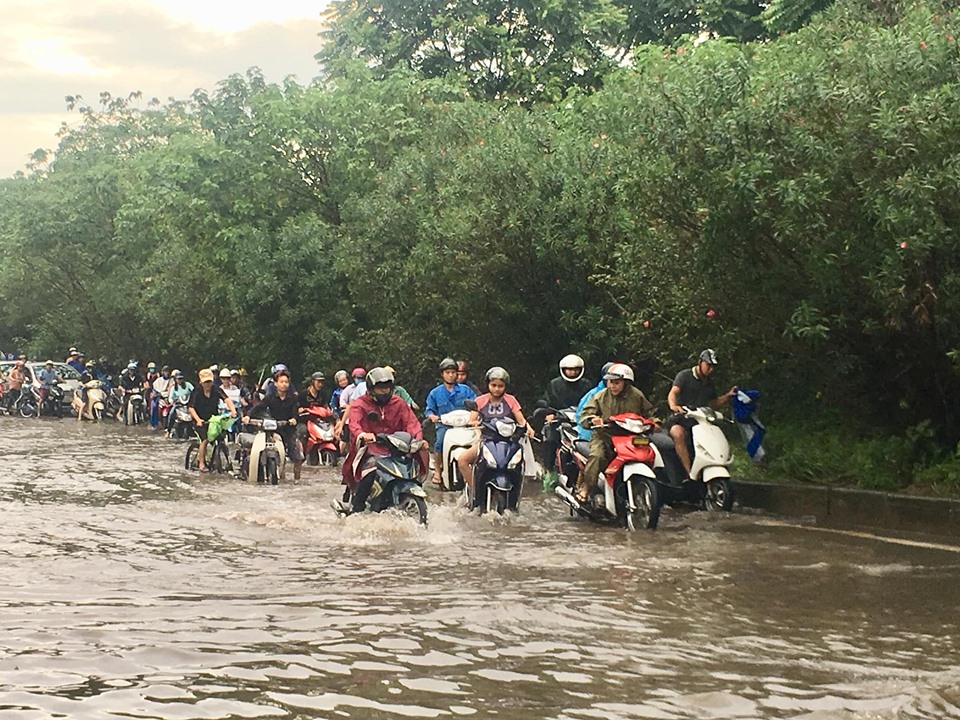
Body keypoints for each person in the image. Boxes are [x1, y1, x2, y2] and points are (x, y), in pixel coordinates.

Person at [332, 367, 426, 516]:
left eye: (387, 388)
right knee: (370, 473)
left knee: (414, 465)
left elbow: (412, 423)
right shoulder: (360, 404)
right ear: (370, 388)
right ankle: (356, 509)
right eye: (380, 388)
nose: (384, 391)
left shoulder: (399, 403)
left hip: (397, 447)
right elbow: (355, 424)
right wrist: (362, 434)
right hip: (369, 450)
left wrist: (419, 439)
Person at [578, 363, 655, 502]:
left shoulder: (637, 395)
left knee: (651, 453)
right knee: (597, 456)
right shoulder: (600, 396)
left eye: (616, 382)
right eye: (610, 382)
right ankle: (587, 487)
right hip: (604, 435)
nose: (612, 386)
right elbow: (585, 415)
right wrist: (592, 420)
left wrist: (655, 423)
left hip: (630, 436)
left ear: (626, 383)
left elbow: (649, 413)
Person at [456, 367, 534, 501]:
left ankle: (515, 496)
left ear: (505, 386)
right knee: (462, 460)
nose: (497, 389)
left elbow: (521, 420)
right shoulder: (480, 400)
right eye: (493, 385)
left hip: (508, 443)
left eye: (500, 386)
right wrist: (475, 424)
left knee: (518, 465)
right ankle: (475, 490)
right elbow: (472, 420)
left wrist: (529, 429)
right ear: (488, 385)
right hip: (485, 440)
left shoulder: (511, 400)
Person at [665, 349, 736, 479]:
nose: (711, 369)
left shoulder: (709, 383)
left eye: (713, 366)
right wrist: (674, 406)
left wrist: (728, 396)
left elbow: (713, 403)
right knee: (677, 433)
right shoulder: (684, 376)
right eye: (708, 365)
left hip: (701, 421)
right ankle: (689, 474)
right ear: (700, 362)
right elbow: (673, 392)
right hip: (681, 419)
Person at [538, 354, 594, 490]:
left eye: (576, 369)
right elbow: (546, 401)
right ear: (563, 369)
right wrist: (549, 413)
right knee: (550, 439)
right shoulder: (554, 384)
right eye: (569, 369)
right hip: (559, 420)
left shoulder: (587, 384)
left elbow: (592, 402)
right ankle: (550, 470)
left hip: (581, 421)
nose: (573, 372)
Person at [424, 357, 477, 486]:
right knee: (439, 442)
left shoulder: (465, 390)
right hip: (445, 425)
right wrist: (432, 417)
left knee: (478, 442)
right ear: (442, 374)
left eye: (453, 372)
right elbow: (429, 410)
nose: (451, 375)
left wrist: (475, 416)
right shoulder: (435, 393)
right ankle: (437, 470)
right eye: (447, 372)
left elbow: (476, 404)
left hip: (465, 425)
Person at [245, 368, 303, 480]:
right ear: (276, 384)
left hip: (289, 429)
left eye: (286, 382)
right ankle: (281, 476)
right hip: (274, 429)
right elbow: (258, 407)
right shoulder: (270, 398)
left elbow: (296, 413)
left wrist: (294, 419)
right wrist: (248, 415)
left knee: (298, 457)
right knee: (279, 454)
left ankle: (297, 480)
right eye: (282, 382)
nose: (284, 384)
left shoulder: (293, 398)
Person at [189, 368, 236, 472]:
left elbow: (227, 399)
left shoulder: (216, 389)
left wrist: (233, 411)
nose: (208, 384)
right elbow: (191, 408)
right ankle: (201, 463)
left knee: (220, 437)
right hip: (200, 420)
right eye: (205, 382)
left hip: (214, 419)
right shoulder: (196, 391)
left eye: (209, 381)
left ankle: (224, 460)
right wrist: (198, 420)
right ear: (200, 381)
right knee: (205, 439)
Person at [576, 362, 615, 441]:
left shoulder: (634, 395)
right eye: (611, 380)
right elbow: (582, 416)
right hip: (597, 433)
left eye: (618, 381)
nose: (613, 385)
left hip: (623, 434)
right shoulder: (595, 395)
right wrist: (593, 420)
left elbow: (646, 411)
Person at [165, 369, 194, 436]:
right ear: (175, 379)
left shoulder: (188, 385)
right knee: (171, 413)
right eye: (178, 379)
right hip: (178, 405)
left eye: (181, 379)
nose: (179, 380)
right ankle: (168, 430)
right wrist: (172, 401)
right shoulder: (173, 388)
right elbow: (170, 398)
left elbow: (194, 391)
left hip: (188, 404)